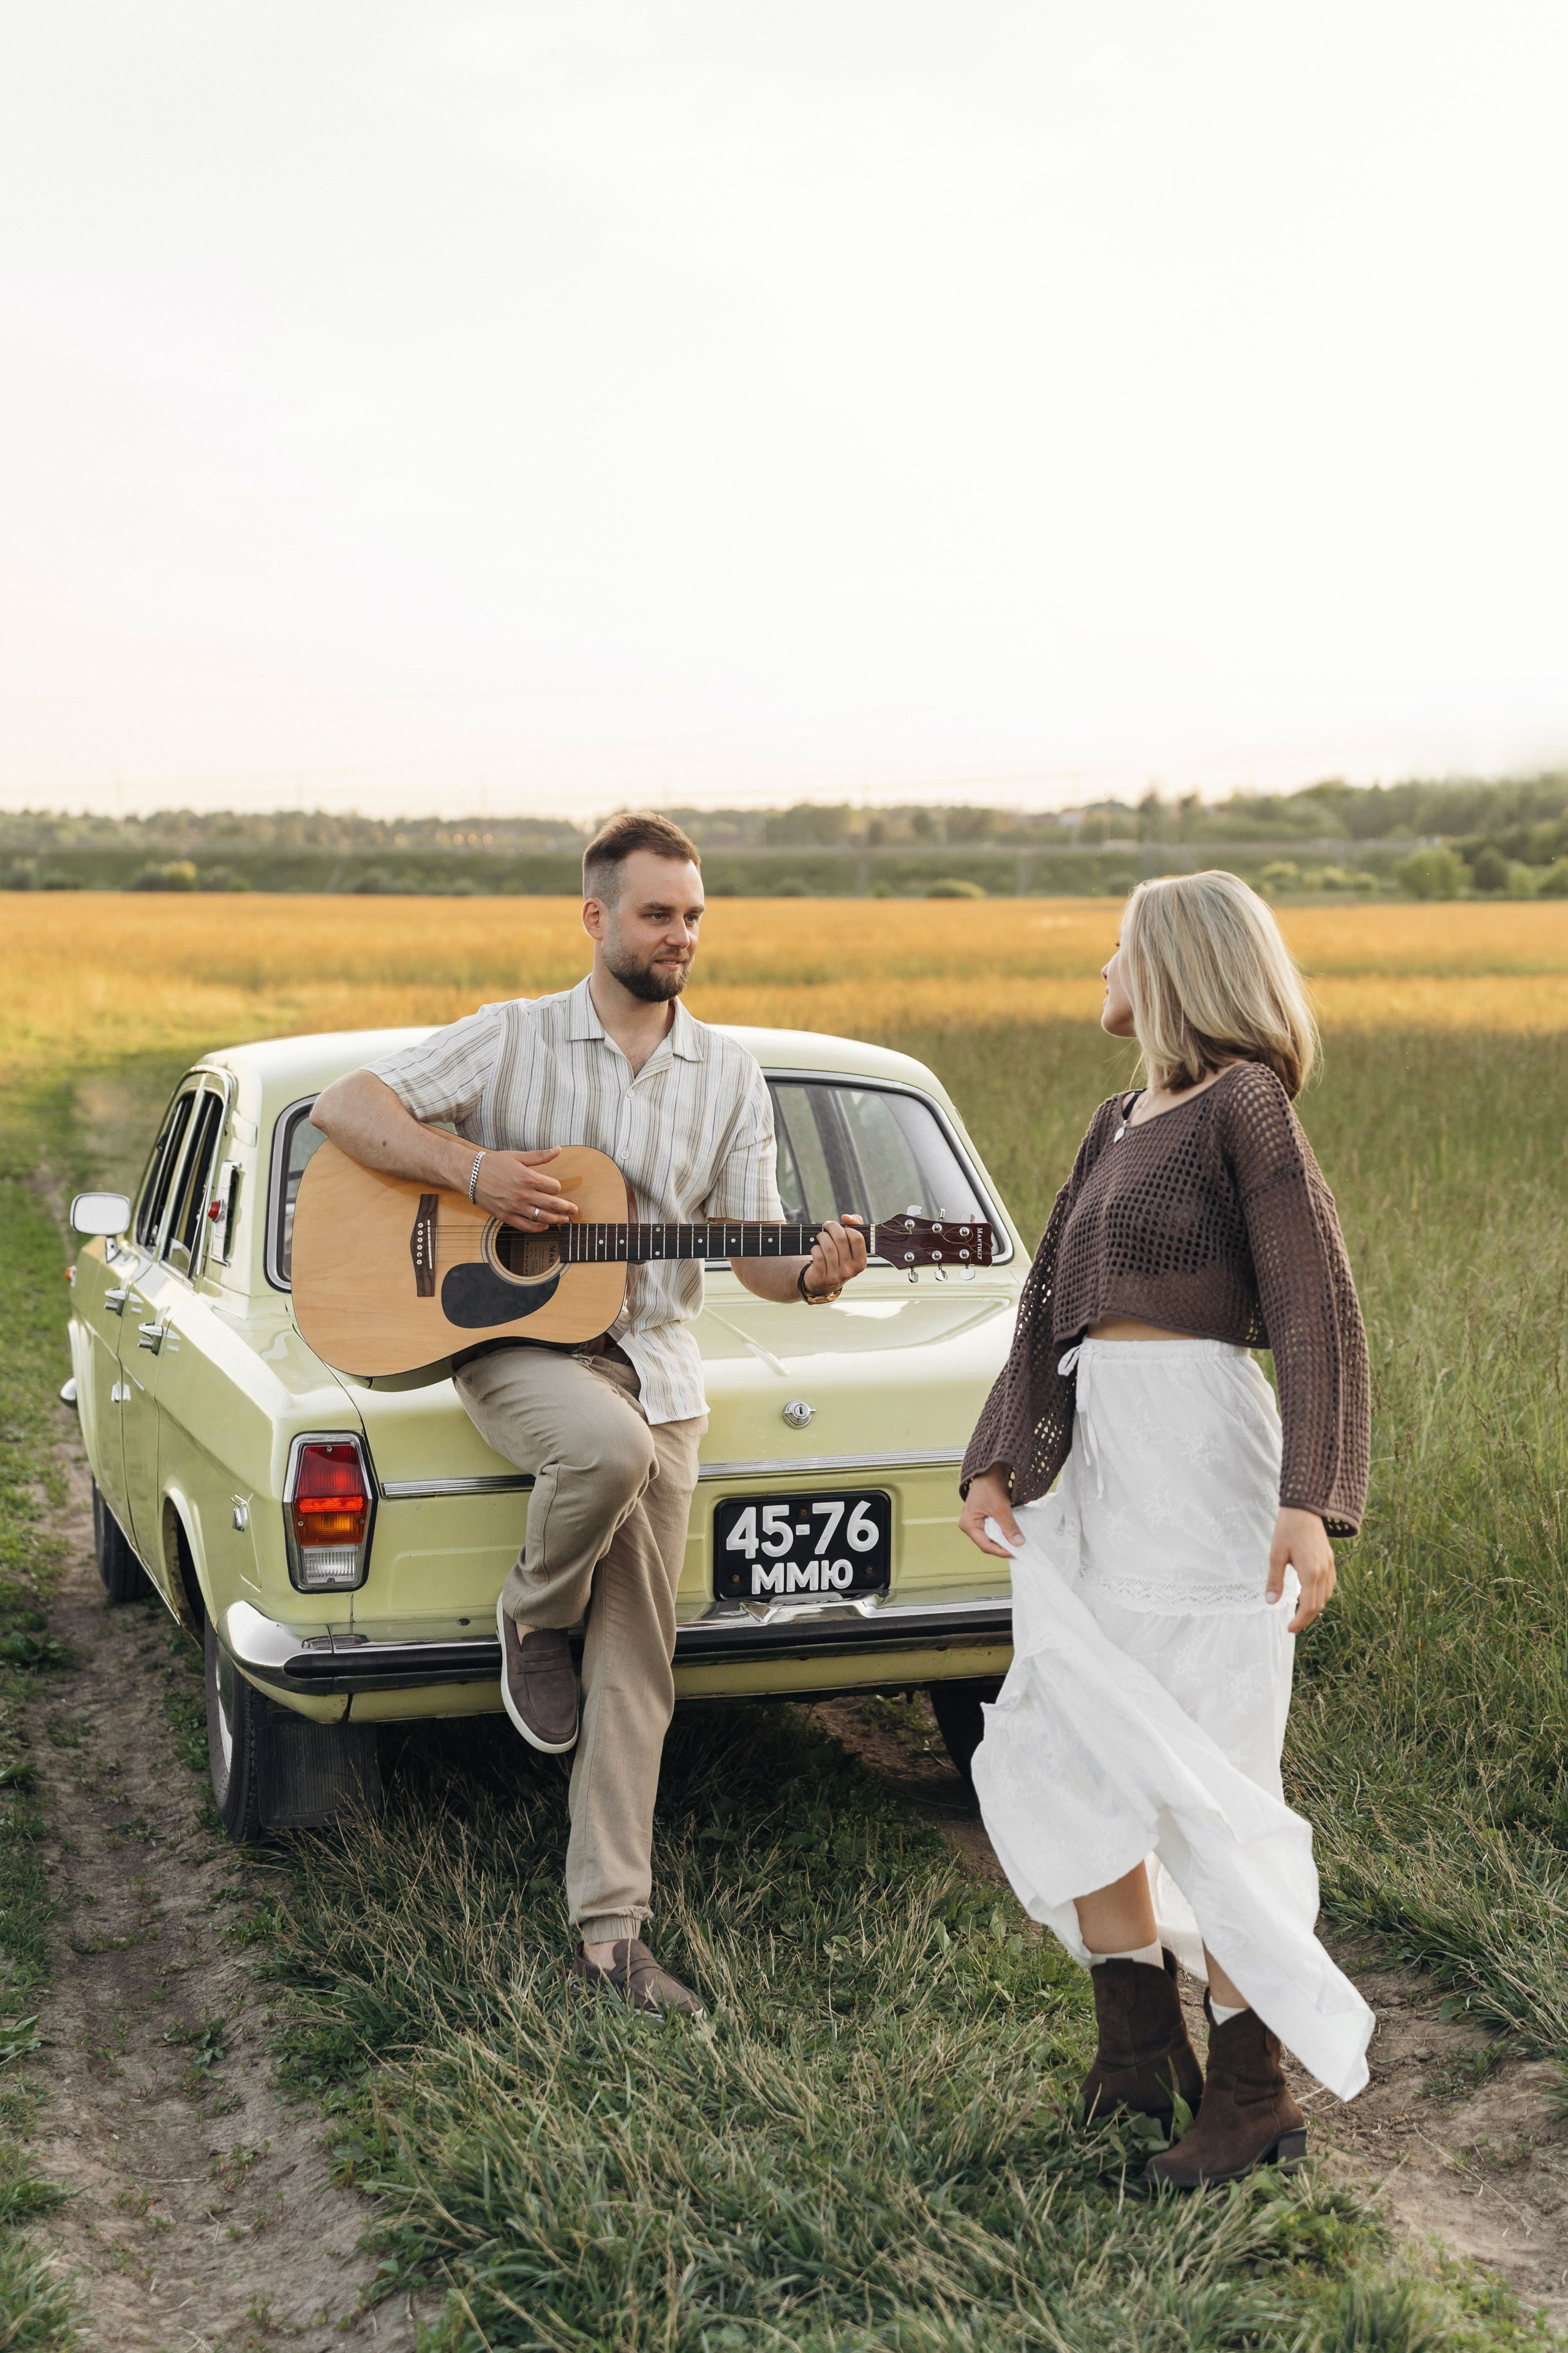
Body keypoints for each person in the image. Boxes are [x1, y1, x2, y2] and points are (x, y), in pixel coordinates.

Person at [311, 811, 869, 2015]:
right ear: (596, 915)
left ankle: (610, 1935)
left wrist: (813, 1269)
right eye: (659, 912)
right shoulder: (510, 1039)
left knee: (641, 1665)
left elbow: (757, 1257)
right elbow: (343, 1111)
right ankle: (530, 1611)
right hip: (512, 1350)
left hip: (658, 1364)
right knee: (600, 1447)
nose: (681, 935)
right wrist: (473, 1175)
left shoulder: (726, 1073)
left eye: (694, 915)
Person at [958, 870, 1373, 2187]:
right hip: (1100, 1475)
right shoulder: (1113, 1118)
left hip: (1201, 1470)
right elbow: (1043, 1307)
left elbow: (1313, 1308)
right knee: (1068, 1743)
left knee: (1210, 1778)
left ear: (1177, 964)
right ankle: (1137, 2054)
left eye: (1118, 947)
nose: (1100, 964)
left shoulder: (1244, 1106)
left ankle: (1253, 2095)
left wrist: (1308, 1500)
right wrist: (994, 1453)